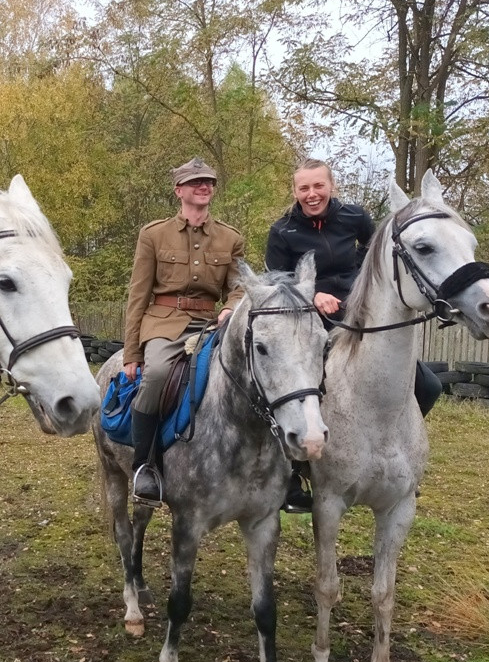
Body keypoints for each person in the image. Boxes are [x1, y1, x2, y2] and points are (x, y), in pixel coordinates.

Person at [265, 158, 442, 513]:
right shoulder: (282, 231)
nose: (312, 194)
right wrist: (311, 295)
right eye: (304, 188)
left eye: (318, 186)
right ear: (295, 191)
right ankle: (292, 472)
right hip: (312, 321)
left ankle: (395, 456)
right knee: (297, 392)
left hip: (361, 313)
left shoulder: (354, 217)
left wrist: (360, 284)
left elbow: (380, 251)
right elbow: (276, 282)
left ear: (331, 186)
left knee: (429, 385)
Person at [122, 157, 245, 507]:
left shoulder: (230, 238)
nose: (204, 186)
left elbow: (238, 286)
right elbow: (138, 295)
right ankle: (145, 465)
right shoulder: (153, 234)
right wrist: (132, 353)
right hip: (164, 321)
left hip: (211, 322)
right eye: (195, 182)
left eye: (208, 181)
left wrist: (229, 307)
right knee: (158, 374)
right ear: (179, 190)